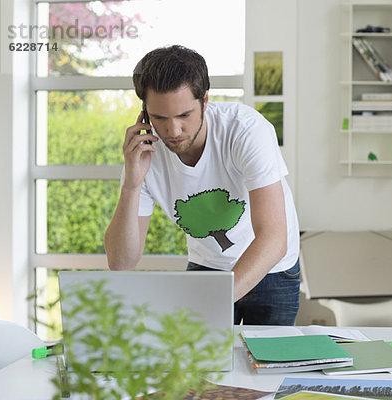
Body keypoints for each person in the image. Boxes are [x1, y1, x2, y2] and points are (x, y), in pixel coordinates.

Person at [104, 45, 300, 325]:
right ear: (145, 113)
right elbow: (121, 264)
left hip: (273, 269)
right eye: (160, 118)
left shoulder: (246, 130)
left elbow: (273, 238)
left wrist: (212, 303)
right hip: (208, 265)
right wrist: (132, 185)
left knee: (266, 366)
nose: (173, 131)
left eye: (184, 115)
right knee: (201, 368)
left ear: (205, 101)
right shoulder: (143, 154)